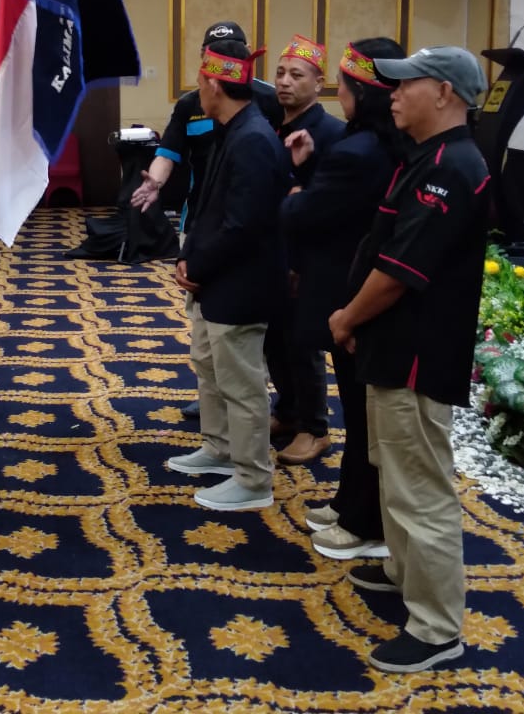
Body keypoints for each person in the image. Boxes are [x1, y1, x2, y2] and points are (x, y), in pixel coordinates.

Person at [327, 45, 490, 674]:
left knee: (420, 488)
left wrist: (347, 317)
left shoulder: (450, 168)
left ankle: (437, 628)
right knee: (395, 473)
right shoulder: (429, 156)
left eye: (405, 84)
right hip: (395, 349)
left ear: (445, 93)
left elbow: (399, 271)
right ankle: (403, 572)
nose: (391, 94)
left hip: (417, 355)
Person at [279, 38, 407, 561]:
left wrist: (295, 191)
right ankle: (349, 503)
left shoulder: (358, 151)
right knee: (359, 416)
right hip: (356, 289)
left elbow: (304, 214)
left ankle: (363, 521)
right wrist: (309, 172)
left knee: (363, 416)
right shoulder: (377, 142)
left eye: (344, 83)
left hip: (352, 295)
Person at [131, 20, 283, 418]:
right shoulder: (190, 104)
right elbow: (169, 151)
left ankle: (249, 396)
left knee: (244, 325)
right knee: (203, 320)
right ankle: (215, 398)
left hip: (247, 225)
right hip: (199, 224)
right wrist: (154, 183)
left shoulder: (264, 102)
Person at [165, 39, 289, 512]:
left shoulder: (252, 138)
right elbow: (207, 206)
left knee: (241, 383)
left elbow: (243, 225)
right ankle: (218, 448)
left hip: (241, 283)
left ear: (215, 84)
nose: (197, 90)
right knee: (210, 366)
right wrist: (188, 254)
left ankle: (254, 479)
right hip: (217, 279)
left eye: (200, 81)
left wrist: (199, 265)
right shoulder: (231, 130)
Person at [263, 35, 345, 464]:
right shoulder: (272, 125)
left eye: (296, 75)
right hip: (272, 252)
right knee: (274, 341)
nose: (284, 82)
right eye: (280, 73)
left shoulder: (332, 133)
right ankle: (289, 411)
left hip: (307, 258)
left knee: (302, 343)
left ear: (319, 82)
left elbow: (327, 203)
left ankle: (315, 428)